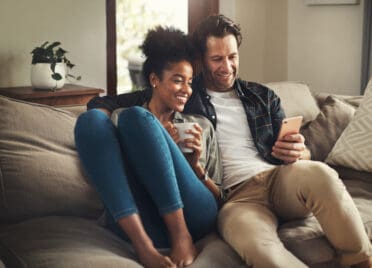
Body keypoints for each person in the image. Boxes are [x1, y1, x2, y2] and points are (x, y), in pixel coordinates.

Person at [181, 14, 372, 268]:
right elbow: (135, 98)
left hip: (280, 180)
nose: (226, 67)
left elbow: (299, 152)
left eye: (232, 57)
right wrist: (106, 105)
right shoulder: (185, 94)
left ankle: (360, 261)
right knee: (261, 250)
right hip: (236, 199)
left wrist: (299, 152)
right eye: (217, 59)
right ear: (202, 60)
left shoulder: (262, 96)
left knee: (320, 173)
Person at [74, 26, 222, 268]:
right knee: (93, 120)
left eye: (190, 82)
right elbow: (116, 169)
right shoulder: (122, 118)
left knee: (137, 118)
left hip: (195, 214)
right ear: (154, 80)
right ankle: (143, 246)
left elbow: (220, 199)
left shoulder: (202, 126)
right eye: (178, 80)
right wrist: (155, 142)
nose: (187, 89)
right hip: (145, 218)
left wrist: (194, 165)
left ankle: (181, 236)